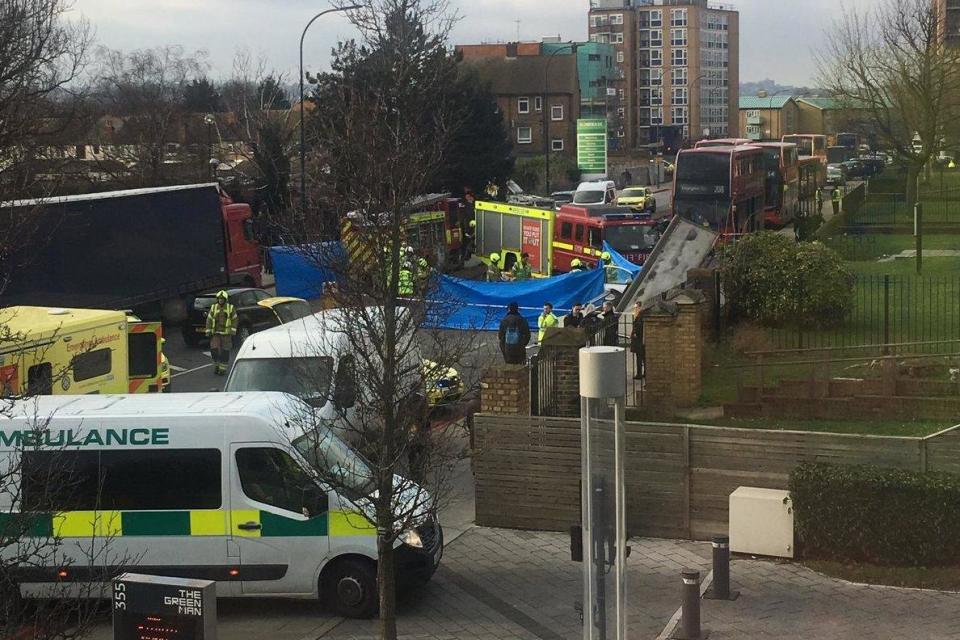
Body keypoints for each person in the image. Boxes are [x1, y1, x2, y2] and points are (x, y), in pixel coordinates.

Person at [205, 290, 238, 375]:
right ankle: (217, 365)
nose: (220, 300)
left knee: (225, 352)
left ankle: (222, 369)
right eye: (219, 299)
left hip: (226, 334)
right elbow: (209, 319)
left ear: (225, 300)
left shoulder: (230, 308)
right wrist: (208, 331)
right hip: (216, 333)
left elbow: (235, 320)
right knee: (214, 350)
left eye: (222, 299)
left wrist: (232, 331)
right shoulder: (214, 307)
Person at [630, 300, 645, 380]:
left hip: (639, 341)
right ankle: (644, 373)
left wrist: (634, 334)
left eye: (636, 308)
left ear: (639, 308)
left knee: (640, 358)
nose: (634, 310)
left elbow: (638, 330)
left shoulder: (639, 317)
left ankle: (639, 373)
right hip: (640, 341)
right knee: (642, 357)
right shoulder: (640, 317)